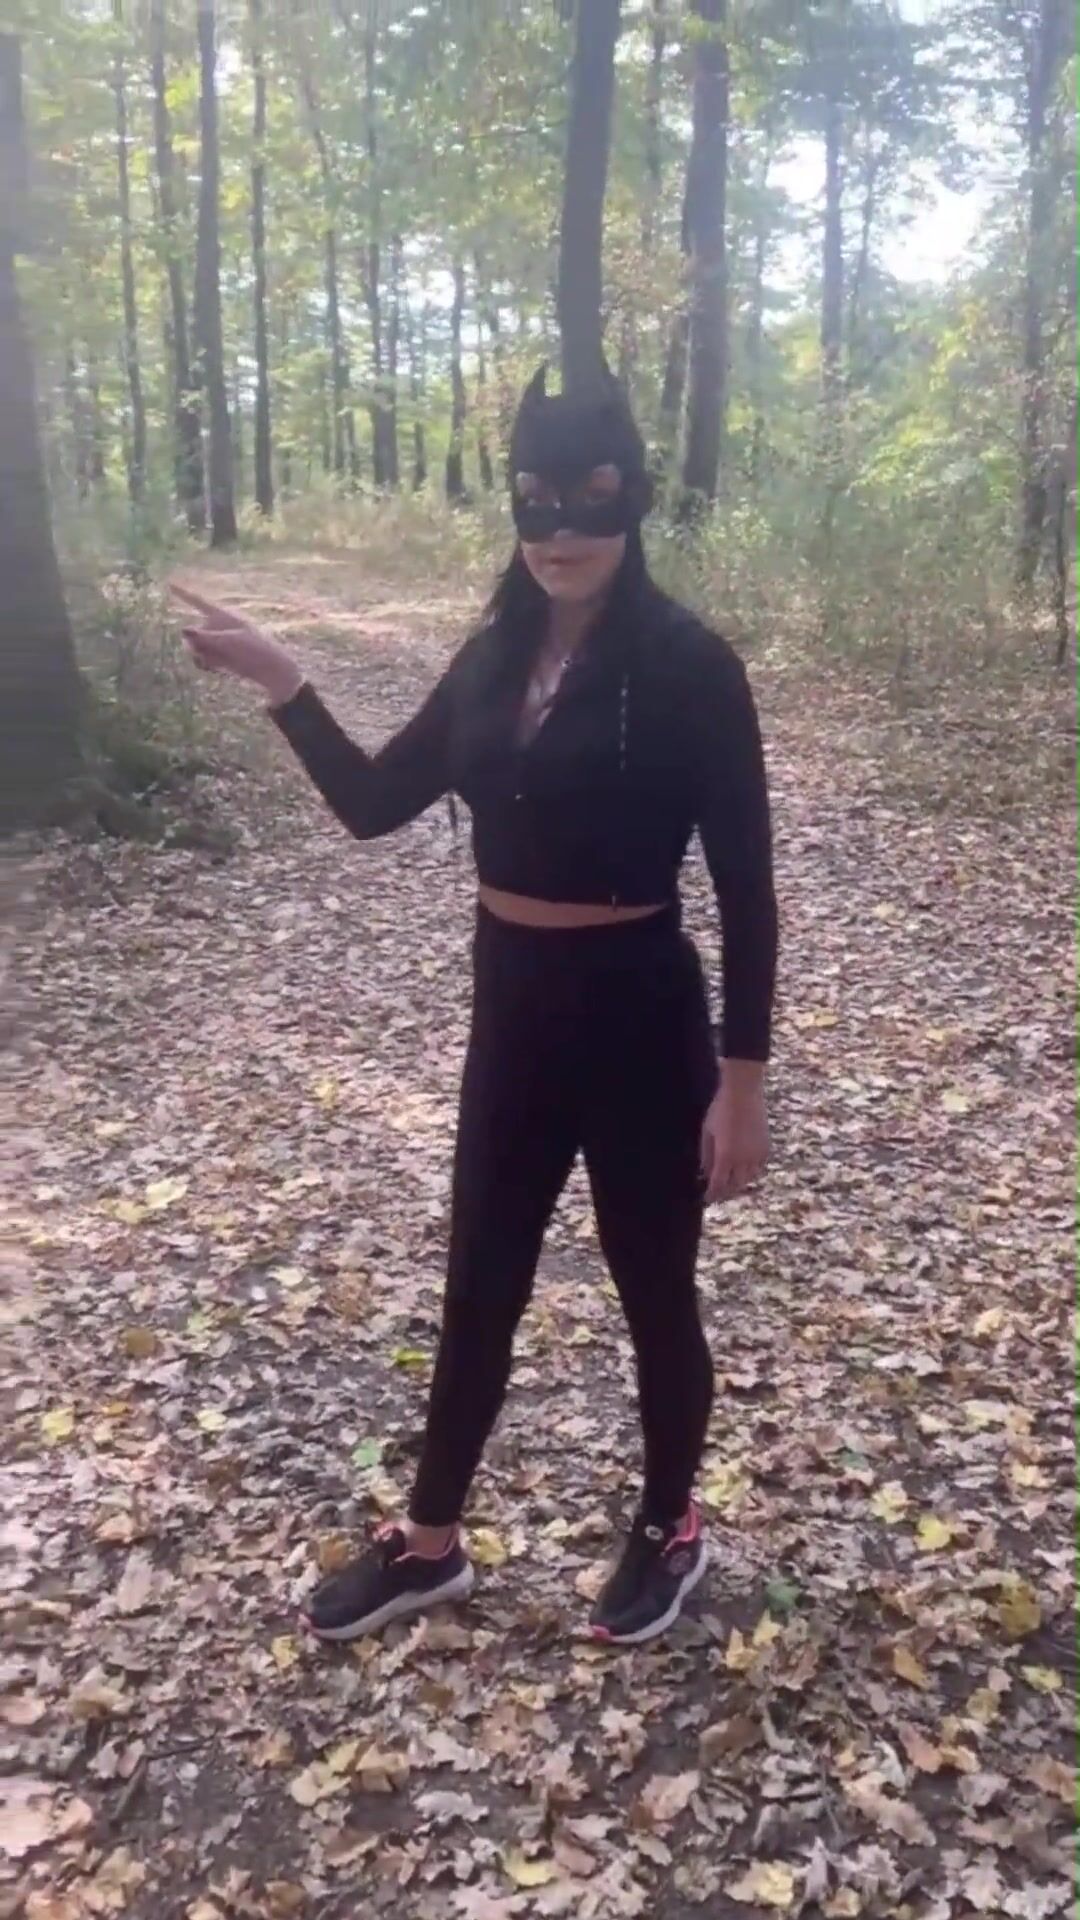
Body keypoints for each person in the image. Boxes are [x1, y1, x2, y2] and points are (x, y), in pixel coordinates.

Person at [172, 365, 778, 1648]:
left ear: (631, 504)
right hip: (515, 1013)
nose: (560, 533)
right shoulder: (493, 659)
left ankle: (671, 1522)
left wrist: (743, 1083)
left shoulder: (691, 668)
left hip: (641, 1016)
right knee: (480, 1282)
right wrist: (285, 682)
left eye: (589, 502)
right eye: (535, 503)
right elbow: (372, 804)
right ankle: (430, 1543)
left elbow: (747, 887)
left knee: (653, 1287)